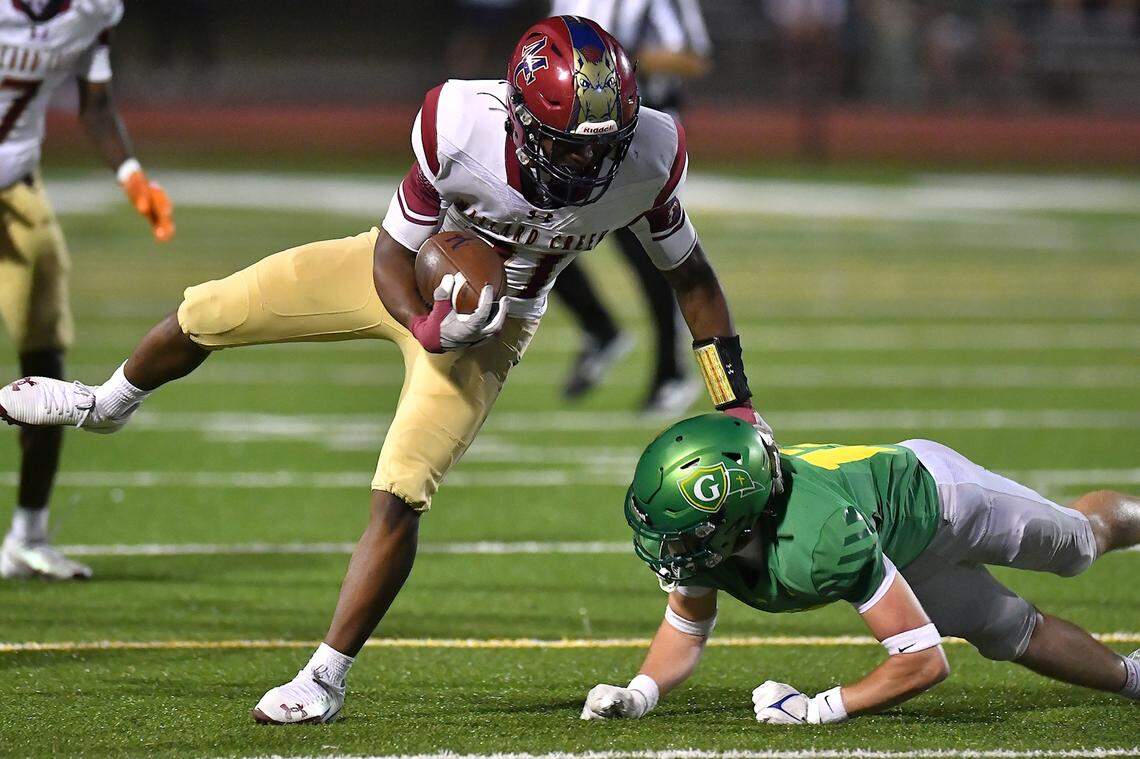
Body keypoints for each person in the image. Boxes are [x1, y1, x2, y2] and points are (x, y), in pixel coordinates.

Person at [0, 17, 780, 723]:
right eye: (570, 142)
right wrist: (422, 321)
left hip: (497, 323)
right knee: (215, 307)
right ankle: (106, 404)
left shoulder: (647, 154)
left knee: (402, 487)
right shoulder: (459, 123)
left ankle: (325, 678)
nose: (589, 160)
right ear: (518, 116)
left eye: (602, 143)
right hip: (409, 279)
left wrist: (736, 403)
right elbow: (388, 253)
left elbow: (693, 280)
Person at [581, 414, 1140, 723]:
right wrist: (640, 693)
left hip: (939, 499)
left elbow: (922, 662)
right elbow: (686, 626)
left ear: (741, 519)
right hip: (890, 546)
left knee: (1078, 544)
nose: (671, 549)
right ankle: (1133, 678)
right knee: (1010, 631)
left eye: (687, 533)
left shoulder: (820, 538)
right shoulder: (717, 537)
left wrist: (820, 708)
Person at [0, 0, 174, 581]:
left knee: (44, 357)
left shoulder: (92, 9)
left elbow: (95, 104)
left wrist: (133, 179)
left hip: (17, 192)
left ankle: (28, 534)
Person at [548, 0, 712, 413]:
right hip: (576, 140)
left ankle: (671, 371)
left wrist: (618, 64)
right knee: (539, 230)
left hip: (638, 138)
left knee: (652, 254)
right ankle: (600, 329)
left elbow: (694, 58)